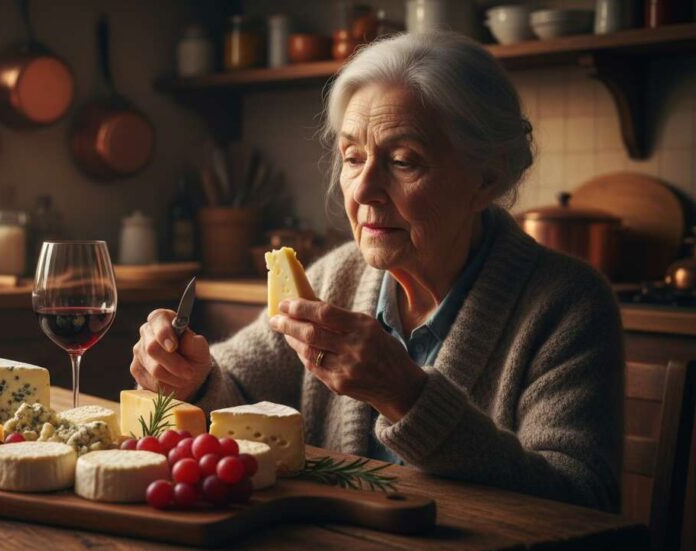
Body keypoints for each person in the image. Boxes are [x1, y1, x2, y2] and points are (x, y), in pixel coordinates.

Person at [131, 31, 623, 512]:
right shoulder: (336, 277)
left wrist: (406, 395)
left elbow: (582, 501)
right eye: (352, 157)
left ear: (486, 179)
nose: (363, 190)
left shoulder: (567, 306)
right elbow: (235, 386)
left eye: (404, 161)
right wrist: (190, 377)